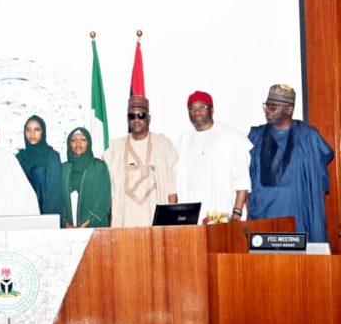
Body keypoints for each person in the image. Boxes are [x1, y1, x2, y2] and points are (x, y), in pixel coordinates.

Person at [248, 84, 334, 242]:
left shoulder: (308, 136)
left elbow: (318, 176)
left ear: (288, 109)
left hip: (299, 215)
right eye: (267, 105)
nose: (268, 109)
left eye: (273, 106)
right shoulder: (256, 136)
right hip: (264, 219)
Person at [176, 91, 252, 223]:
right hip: (192, 217)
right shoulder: (183, 141)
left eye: (202, 107)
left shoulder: (232, 137)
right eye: (192, 108)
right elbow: (178, 180)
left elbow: (242, 179)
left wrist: (237, 211)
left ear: (212, 109)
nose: (197, 112)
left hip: (223, 216)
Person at [104, 96, 178, 228]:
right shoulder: (116, 148)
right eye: (132, 116)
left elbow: (172, 188)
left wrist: (171, 223)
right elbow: (109, 192)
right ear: (128, 119)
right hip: (125, 222)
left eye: (141, 115)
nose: (136, 119)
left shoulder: (162, 144)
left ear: (148, 118)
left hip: (155, 220)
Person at [16, 115, 64, 222]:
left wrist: (48, 222)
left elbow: (54, 194)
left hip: (45, 215)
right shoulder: (20, 158)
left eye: (36, 130)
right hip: (23, 216)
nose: (32, 134)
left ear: (43, 132)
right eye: (28, 130)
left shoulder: (52, 156)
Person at [61, 127, 111, 228]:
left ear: (89, 143)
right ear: (69, 144)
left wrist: (86, 225)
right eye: (73, 140)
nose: (78, 144)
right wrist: (65, 224)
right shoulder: (63, 169)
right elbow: (57, 200)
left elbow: (103, 200)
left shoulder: (99, 167)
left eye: (83, 140)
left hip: (94, 229)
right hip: (67, 230)